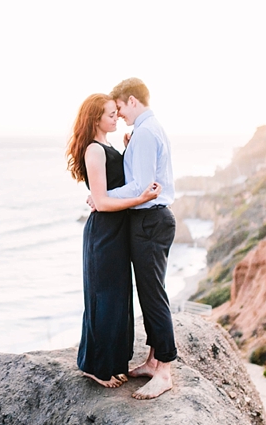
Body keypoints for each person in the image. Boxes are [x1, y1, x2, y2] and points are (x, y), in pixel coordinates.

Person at [88, 78, 177, 400]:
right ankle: (154, 361)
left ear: (131, 100)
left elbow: (140, 185)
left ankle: (164, 369)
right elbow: (140, 177)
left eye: (120, 108)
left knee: (153, 295)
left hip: (150, 220)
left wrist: (100, 196)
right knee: (151, 291)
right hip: (152, 220)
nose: (119, 114)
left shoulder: (145, 132)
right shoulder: (145, 131)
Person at [66, 93, 161, 389]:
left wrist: (129, 150)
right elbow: (103, 202)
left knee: (118, 299)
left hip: (116, 233)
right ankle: (95, 367)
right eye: (110, 114)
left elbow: (113, 183)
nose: (116, 117)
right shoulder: (94, 150)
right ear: (95, 118)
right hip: (103, 234)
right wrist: (140, 198)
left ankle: (113, 362)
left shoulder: (107, 145)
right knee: (103, 300)